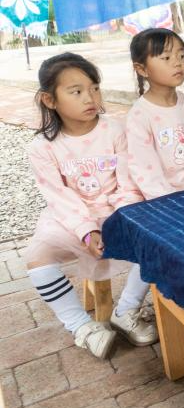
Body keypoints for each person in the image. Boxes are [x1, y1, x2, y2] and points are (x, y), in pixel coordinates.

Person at [25, 53, 158, 359]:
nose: (90, 98)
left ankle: (126, 310)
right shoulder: (42, 147)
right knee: (36, 256)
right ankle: (82, 326)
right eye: (76, 91)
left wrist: (119, 221)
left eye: (94, 88)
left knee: (156, 241)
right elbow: (58, 196)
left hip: (118, 211)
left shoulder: (115, 130)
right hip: (71, 217)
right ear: (49, 99)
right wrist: (87, 230)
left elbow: (129, 183)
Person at [124, 29, 184, 198]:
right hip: (163, 199)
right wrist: (171, 201)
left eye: (182, 55)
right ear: (141, 69)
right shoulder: (139, 116)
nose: (177, 63)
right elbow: (145, 171)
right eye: (166, 58)